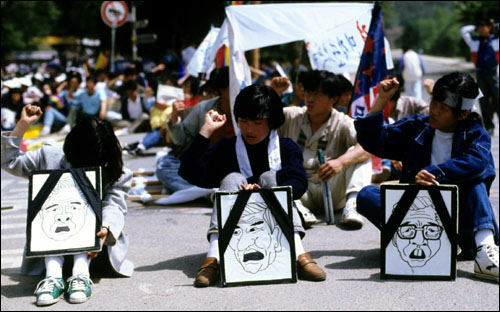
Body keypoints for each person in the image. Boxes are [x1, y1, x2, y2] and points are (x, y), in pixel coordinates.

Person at [355, 72, 499, 282]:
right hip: (417, 215)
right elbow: (375, 142)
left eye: (443, 109)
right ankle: (419, 242)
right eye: (434, 103)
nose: (434, 111)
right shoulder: (417, 127)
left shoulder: (475, 134)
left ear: (462, 114)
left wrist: (434, 173)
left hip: (461, 218)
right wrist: (382, 100)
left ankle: (485, 250)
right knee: (366, 195)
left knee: (475, 180)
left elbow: (476, 163)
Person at [179, 84, 326, 287]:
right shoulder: (227, 148)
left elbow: (299, 184)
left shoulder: (285, 147)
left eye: (257, 122)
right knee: (231, 178)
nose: (249, 129)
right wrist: (206, 130)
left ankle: (299, 254)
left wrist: (263, 191)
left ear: (271, 121)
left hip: (275, 224)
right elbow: (189, 171)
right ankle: (213, 258)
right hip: (236, 229)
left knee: (271, 177)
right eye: (243, 121)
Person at [1, 104, 134, 305]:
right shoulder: (49, 156)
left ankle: (81, 274)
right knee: (57, 207)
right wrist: (22, 125)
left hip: (95, 251)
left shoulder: (112, 165)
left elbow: (114, 204)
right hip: (50, 247)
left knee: (80, 209)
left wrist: (106, 228)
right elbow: (9, 162)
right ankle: (52, 276)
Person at [278, 70, 372, 229]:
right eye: (307, 92)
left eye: (316, 94)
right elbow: (263, 118)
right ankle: (297, 210)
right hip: (299, 191)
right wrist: (275, 92)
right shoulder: (291, 115)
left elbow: (367, 147)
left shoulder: (343, 122)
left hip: (331, 187)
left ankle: (353, 205)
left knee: (360, 156)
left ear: (333, 98)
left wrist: (340, 162)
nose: (309, 99)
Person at [155, 67, 234, 194]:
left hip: (236, 169)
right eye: (235, 84)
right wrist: (175, 117)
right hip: (207, 167)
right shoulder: (203, 108)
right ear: (223, 89)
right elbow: (181, 139)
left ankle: (199, 193)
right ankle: (206, 194)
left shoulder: (250, 107)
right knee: (164, 167)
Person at [460, 19, 499, 136]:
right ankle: (489, 126)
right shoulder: (474, 41)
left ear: (489, 27)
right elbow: (463, 30)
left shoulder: (496, 39)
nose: (482, 29)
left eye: (485, 26)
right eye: (480, 27)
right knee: (484, 101)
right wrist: (475, 26)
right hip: (481, 74)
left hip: (495, 74)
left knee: (498, 99)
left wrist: (494, 25)